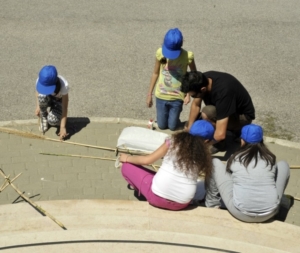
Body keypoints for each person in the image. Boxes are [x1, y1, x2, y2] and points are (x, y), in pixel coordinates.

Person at [119, 120, 214, 211]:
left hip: (157, 198)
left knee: (126, 167)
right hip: (182, 204)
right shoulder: (205, 156)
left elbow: (147, 160)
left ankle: (144, 192)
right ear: (206, 141)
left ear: (189, 130)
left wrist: (127, 158)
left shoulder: (173, 142)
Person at [205, 124, 291, 223]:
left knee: (214, 163)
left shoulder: (235, 157)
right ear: (261, 140)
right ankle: (278, 206)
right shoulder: (270, 158)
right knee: (284, 164)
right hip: (269, 213)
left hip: (240, 213)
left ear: (242, 141)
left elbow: (228, 176)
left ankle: (212, 205)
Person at [181, 71, 255, 152]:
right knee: (188, 124)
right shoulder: (201, 79)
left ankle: (223, 142)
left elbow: (220, 135)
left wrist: (199, 147)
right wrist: (189, 128)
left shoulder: (223, 93)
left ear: (203, 89)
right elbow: (196, 105)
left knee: (207, 112)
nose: (192, 97)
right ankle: (228, 131)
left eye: (193, 95)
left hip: (243, 117)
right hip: (226, 108)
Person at [146, 28, 197, 131]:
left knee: (173, 127)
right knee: (162, 126)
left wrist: (188, 94)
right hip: (161, 95)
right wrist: (149, 94)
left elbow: (193, 75)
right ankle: (163, 119)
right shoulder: (160, 53)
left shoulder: (187, 56)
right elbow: (155, 73)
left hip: (177, 97)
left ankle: (175, 121)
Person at [35, 65, 69, 140]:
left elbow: (65, 106)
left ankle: (53, 116)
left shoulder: (64, 85)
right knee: (41, 97)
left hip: (58, 102)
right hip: (48, 99)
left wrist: (62, 127)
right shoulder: (40, 80)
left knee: (52, 120)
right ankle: (44, 116)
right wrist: (38, 106)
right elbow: (37, 93)